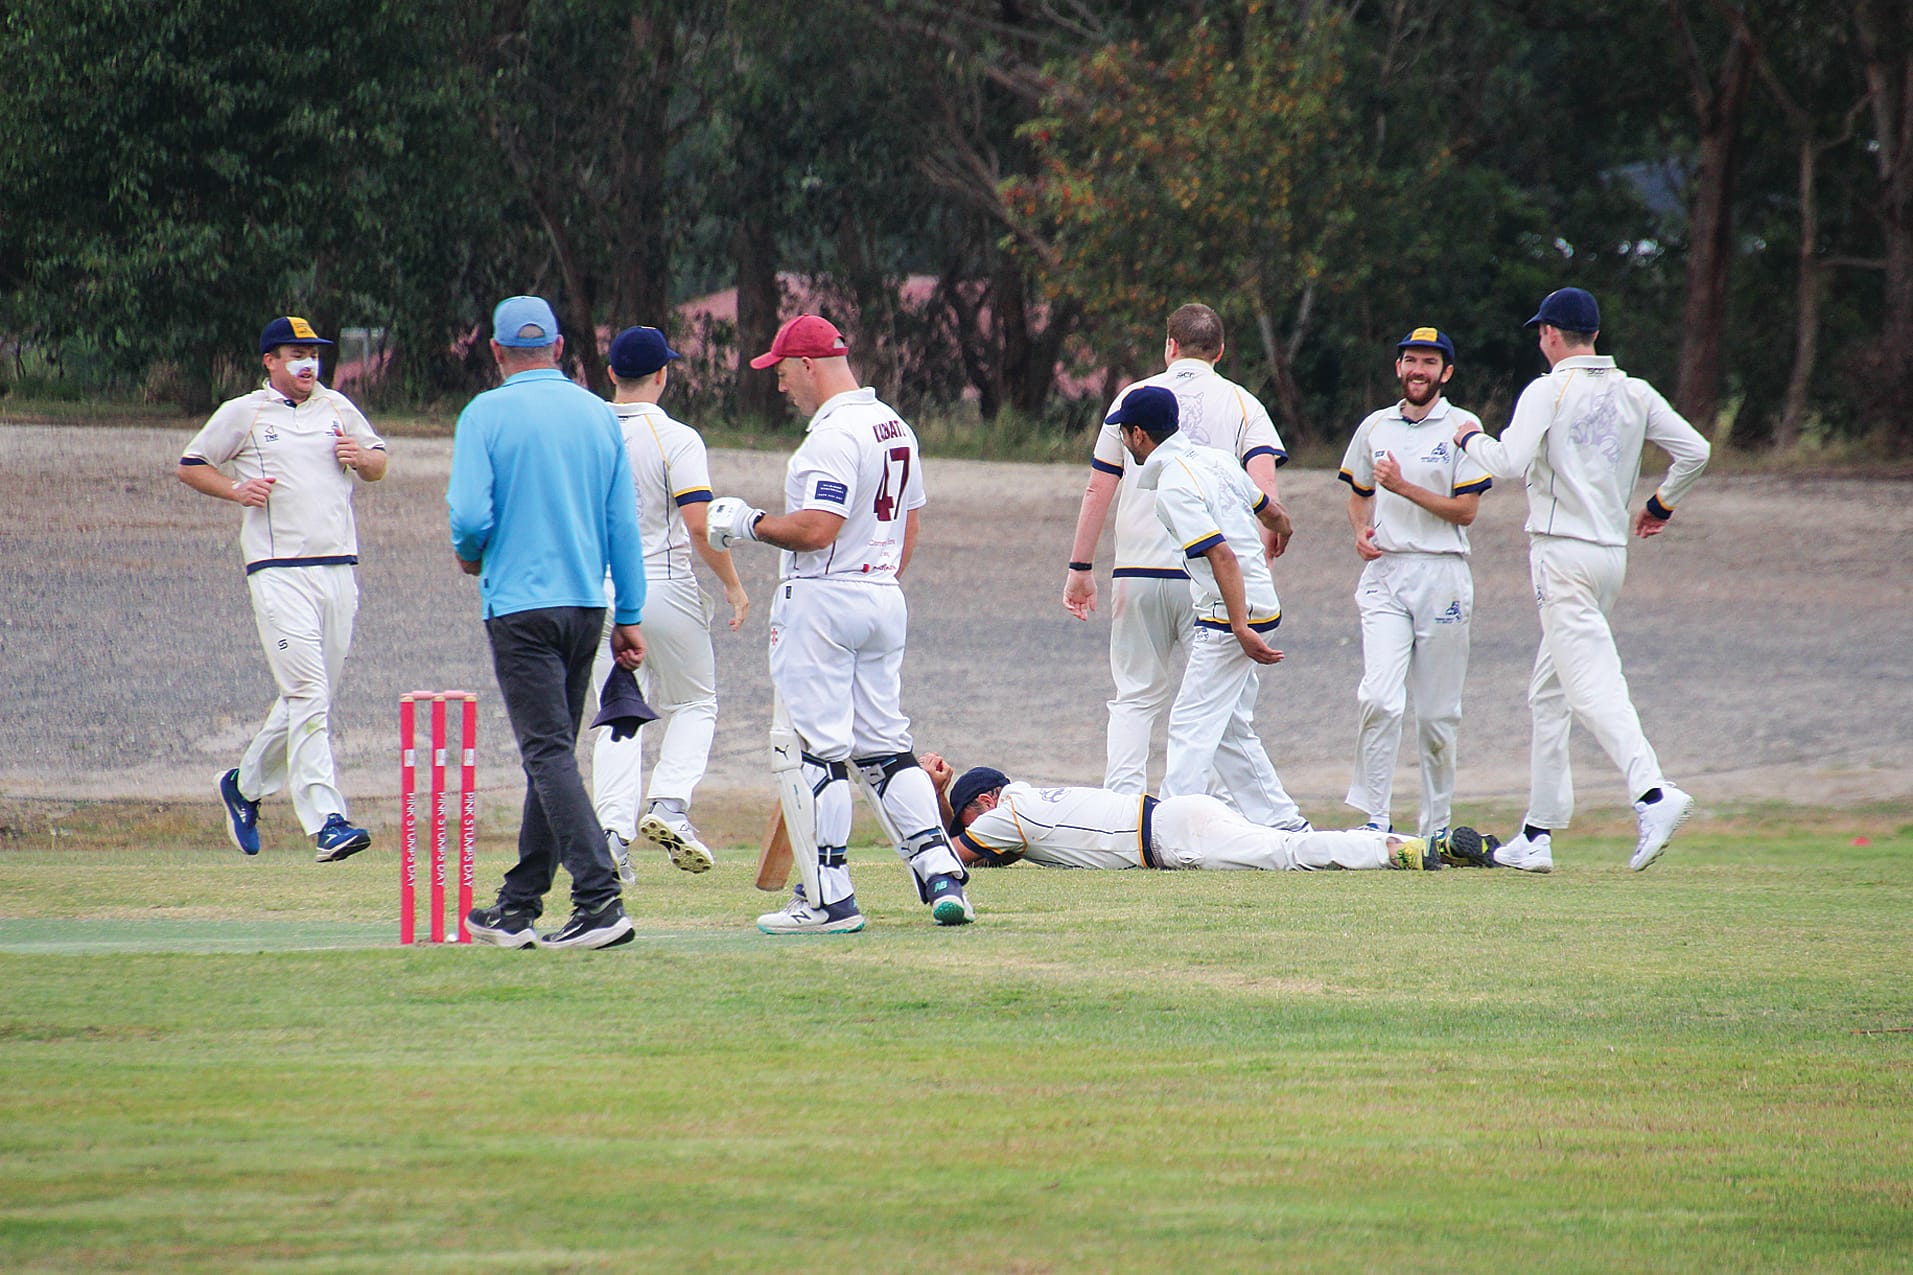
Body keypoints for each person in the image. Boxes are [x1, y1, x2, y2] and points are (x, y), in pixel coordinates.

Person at [706, 314, 972, 934]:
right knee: (884, 746)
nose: (779, 385)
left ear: (808, 364)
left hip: (824, 599)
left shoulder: (831, 436)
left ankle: (827, 900)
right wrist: (875, 580)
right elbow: (908, 525)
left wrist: (746, 522)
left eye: (781, 372)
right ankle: (941, 874)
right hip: (881, 595)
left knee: (814, 752)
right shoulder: (894, 425)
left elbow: (817, 528)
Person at [1454, 288, 1711, 873]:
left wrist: (1467, 437)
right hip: (1609, 559)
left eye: (1540, 334)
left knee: (1593, 686)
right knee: (1549, 693)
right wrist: (1662, 503)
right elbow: (1695, 451)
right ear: (1593, 334)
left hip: (1561, 556)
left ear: (1549, 334)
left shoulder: (1548, 389)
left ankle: (1652, 793)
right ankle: (1536, 835)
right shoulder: (1635, 391)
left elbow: (1508, 462)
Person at [448, 295, 649, 949]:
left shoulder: (484, 414)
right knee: (553, 749)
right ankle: (519, 903)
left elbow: (470, 519)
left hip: (519, 605)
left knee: (546, 751)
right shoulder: (597, 415)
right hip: (585, 605)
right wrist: (630, 613)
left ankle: (598, 898)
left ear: (496, 351)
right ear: (559, 348)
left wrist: (471, 552)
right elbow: (623, 524)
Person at [179, 315, 387, 863]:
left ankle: (244, 785)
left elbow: (378, 464)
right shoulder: (245, 412)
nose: (308, 364)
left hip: (338, 569)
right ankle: (327, 822)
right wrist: (236, 489)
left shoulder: (337, 407)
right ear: (270, 361)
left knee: (309, 699)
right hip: (278, 571)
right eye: (296, 354)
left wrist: (361, 459)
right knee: (309, 695)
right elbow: (191, 464)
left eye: (313, 354)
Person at [1063, 303, 1292, 795]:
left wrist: (1080, 567)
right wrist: (1261, 567)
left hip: (1137, 572)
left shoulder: (1131, 398)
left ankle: (1123, 809)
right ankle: (1215, 812)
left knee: (1134, 696)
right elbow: (1264, 493)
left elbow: (1099, 486)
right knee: (1220, 710)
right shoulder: (1244, 403)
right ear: (1220, 351)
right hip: (1208, 581)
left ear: (1170, 346)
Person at [588, 325, 748, 884]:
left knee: (618, 712)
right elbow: (700, 525)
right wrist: (732, 584)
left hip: (597, 591)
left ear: (612, 373)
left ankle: (612, 834)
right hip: (662, 584)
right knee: (695, 702)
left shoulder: (585, 430)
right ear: (662, 375)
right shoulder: (676, 436)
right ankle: (669, 805)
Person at [1114, 386, 1309, 831]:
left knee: (1191, 724)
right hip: (1259, 604)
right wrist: (1285, 528)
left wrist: (1238, 626)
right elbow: (1270, 510)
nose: (1124, 441)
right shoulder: (1217, 459)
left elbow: (1221, 555)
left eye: (1124, 433)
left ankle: (1170, 830)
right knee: (1230, 729)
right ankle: (1284, 823)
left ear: (1139, 434)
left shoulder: (1173, 485)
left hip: (1232, 615)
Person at [1338, 327, 1493, 840]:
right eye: (1410, 360)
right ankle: (1375, 820)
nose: (1417, 370)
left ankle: (1437, 831)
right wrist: (1360, 529)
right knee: (1379, 698)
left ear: (1446, 372)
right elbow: (1359, 492)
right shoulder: (1375, 426)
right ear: (1398, 368)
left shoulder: (1462, 427)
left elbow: (1466, 511)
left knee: (1438, 715)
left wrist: (1403, 487)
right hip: (1387, 572)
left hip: (1442, 572)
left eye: (1428, 362)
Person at [921, 753, 1494, 872]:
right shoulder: (1025, 797)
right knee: (1282, 845)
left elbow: (950, 858)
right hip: (1174, 816)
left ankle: (1406, 849)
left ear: (984, 803)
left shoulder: (1002, 816)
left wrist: (933, 791)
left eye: (966, 814)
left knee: (1288, 854)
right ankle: (1426, 845)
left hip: (1170, 838)